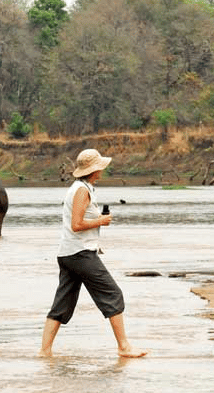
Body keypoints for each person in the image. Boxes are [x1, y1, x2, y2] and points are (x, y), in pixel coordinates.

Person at [39, 149, 147, 358]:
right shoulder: (81, 190)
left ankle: (44, 352)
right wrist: (101, 221)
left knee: (62, 302)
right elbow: (77, 224)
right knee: (113, 294)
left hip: (69, 253)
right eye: (100, 168)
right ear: (94, 170)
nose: (102, 171)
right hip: (80, 254)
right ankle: (124, 347)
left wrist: (97, 221)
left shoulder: (80, 188)